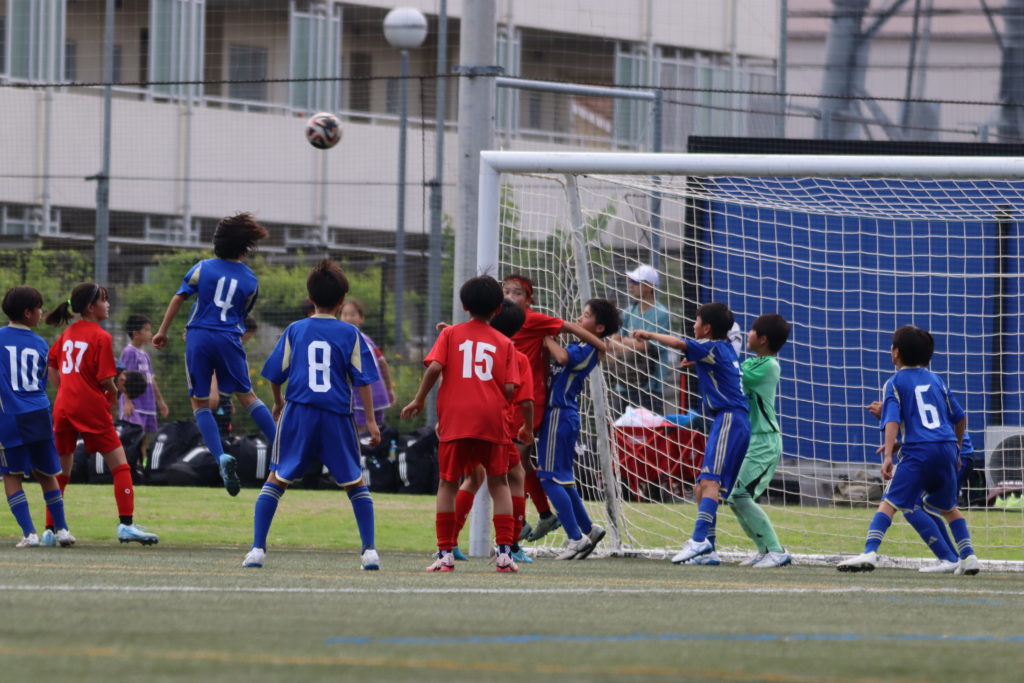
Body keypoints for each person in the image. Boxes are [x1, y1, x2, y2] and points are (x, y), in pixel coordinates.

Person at [244, 260, 381, 570]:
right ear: (342, 299)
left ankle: (257, 549)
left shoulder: (295, 329)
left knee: (277, 478)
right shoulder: (351, 333)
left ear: (310, 297)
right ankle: (369, 551)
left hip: (299, 413)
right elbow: (363, 380)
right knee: (355, 482)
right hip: (337, 415)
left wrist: (278, 402)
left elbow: (275, 374)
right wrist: (371, 420)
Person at [152, 212, 277, 497]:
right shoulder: (250, 280)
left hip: (198, 336)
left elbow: (179, 297)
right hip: (229, 337)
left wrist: (162, 331)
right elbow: (240, 315)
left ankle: (220, 456)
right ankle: (282, 448)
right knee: (247, 397)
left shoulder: (203, 267)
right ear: (245, 248)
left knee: (199, 403)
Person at [838, 325, 979, 575]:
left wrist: (888, 455)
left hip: (918, 452)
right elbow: (960, 417)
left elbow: (892, 419)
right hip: (947, 449)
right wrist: (956, 448)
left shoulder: (894, 382)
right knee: (948, 508)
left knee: (889, 502)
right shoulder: (936, 380)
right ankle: (968, 557)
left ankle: (869, 552)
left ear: (896, 352)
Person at [402, 276, 521, 573]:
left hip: (456, 419)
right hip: (492, 420)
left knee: (448, 482)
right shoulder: (505, 343)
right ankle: (505, 554)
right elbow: (509, 388)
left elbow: (435, 367)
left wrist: (419, 399)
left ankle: (445, 553)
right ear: (498, 309)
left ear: (464, 306)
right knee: (499, 483)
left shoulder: (450, 334)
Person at [633, 302, 750, 565]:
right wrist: (696, 362)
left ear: (706, 328)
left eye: (696, 322)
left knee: (709, 481)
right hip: (731, 420)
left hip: (730, 418)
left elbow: (678, 343)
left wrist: (649, 334)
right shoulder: (723, 348)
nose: (693, 326)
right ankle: (708, 550)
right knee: (701, 486)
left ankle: (698, 541)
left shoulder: (708, 345)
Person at [45, 282, 159, 545]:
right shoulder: (101, 337)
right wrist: (114, 394)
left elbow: (51, 366)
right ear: (90, 307)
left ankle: (50, 529)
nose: (107, 304)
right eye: (104, 300)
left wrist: (66, 390)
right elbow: (106, 379)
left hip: (63, 407)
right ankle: (126, 525)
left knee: (62, 471)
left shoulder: (67, 333)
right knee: (121, 465)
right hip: (90, 407)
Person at [501, 274, 605, 544]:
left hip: (531, 402)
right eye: (506, 291)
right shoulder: (503, 322)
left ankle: (519, 528)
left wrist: (600, 344)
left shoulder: (534, 320)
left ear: (529, 300)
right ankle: (546, 516)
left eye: (517, 293)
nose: (510, 297)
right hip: (513, 400)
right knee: (522, 466)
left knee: (516, 467)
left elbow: (567, 330)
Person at [449, 300, 534, 564]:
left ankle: (449, 542)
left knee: (471, 477)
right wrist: (528, 427)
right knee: (513, 476)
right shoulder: (515, 355)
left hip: (462, 422)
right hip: (496, 427)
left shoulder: (464, 345)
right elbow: (525, 400)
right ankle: (510, 544)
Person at [537, 298, 620, 560]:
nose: (579, 319)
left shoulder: (588, 348)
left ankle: (575, 538)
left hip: (559, 414)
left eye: (585, 315)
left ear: (599, 328)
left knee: (548, 478)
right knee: (563, 479)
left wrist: (546, 338)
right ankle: (588, 528)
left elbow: (561, 357)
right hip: (564, 416)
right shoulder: (585, 346)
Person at [865, 402, 977, 574]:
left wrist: (889, 415)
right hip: (952, 453)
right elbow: (933, 422)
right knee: (937, 506)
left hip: (945, 455)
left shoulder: (903, 389)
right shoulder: (933, 389)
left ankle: (951, 558)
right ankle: (963, 558)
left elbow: (926, 421)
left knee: (911, 504)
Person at [0, 286, 74, 548]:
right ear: (28, 312)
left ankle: (29, 533)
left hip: (9, 416)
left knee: (12, 475)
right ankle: (62, 530)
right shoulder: (41, 344)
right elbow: (42, 381)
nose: (42, 312)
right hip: (39, 413)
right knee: (46, 472)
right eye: (39, 308)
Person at [727, 314, 792, 569]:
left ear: (763, 339)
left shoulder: (769, 366)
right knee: (734, 498)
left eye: (752, 331)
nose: (748, 334)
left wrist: (722, 352)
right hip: (751, 439)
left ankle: (776, 550)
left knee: (740, 494)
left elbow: (734, 375)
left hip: (765, 441)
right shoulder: (752, 362)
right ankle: (764, 550)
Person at [606, 265, 672, 416]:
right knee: (618, 427)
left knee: (646, 429)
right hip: (622, 384)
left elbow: (646, 347)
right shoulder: (628, 311)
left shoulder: (661, 314)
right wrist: (631, 343)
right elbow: (613, 341)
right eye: (631, 281)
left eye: (636, 282)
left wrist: (624, 342)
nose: (631, 285)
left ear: (649, 286)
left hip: (648, 388)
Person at [119, 314, 169, 465]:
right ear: (136, 333)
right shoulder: (129, 352)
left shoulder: (145, 355)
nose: (150, 333)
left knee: (144, 438)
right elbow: (124, 377)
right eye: (147, 330)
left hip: (147, 404)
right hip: (134, 405)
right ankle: (131, 466)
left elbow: (151, 379)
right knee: (134, 438)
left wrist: (160, 402)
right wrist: (127, 401)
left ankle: (143, 467)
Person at [340, 299, 394, 431]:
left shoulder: (348, 340)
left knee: (360, 434)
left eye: (352, 314)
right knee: (374, 433)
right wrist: (388, 389)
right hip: (379, 395)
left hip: (362, 397)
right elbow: (382, 362)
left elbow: (382, 363)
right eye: (344, 314)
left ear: (361, 318)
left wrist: (389, 388)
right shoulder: (367, 339)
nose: (348, 318)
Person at [208, 316, 258, 438]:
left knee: (224, 426)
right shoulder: (226, 343)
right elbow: (213, 364)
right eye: (248, 336)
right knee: (216, 428)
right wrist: (213, 390)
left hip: (223, 396)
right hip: (215, 395)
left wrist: (229, 398)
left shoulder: (234, 346)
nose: (247, 340)